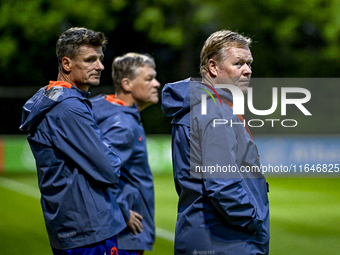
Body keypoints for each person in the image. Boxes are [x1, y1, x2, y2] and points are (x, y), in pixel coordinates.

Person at [161, 30, 270, 254]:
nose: (247, 70)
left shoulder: (204, 106)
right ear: (213, 67)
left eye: (249, 63)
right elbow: (223, 185)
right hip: (225, 241)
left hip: (207, 236)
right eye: (238, 63)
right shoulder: (213, 111)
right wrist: (253, 221)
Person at [19, 27, 126, 255]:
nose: (100, 66)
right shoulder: (70, 108)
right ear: (66, 64)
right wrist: (110, 153)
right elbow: (109, 169)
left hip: (68, 225)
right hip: (89, 229)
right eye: (90, 60)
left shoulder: (50, 98)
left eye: (100, 59)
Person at [90, 53, 160, 255]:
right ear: (127, 84)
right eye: (148, 79)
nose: (156, 84)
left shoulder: (105, 110)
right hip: (125, 234)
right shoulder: (123, 125)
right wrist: (122, 210)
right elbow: (102, 168)